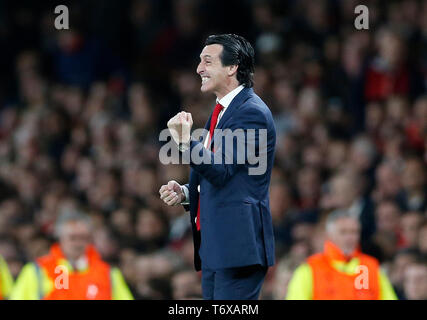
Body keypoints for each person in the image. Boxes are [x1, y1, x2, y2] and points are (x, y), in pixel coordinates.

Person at [159, 34, 276, 300]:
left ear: (232, 67)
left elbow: (221, 170)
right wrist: (187, 193)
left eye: (207, 61)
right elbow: (226, 174)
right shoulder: (224, 109)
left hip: (238, 248)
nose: (199, 68)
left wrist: (186, 141)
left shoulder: (251, 112)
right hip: (218, 247)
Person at [9, 210, 133, 300]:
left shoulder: (109, 274)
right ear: (60, 238)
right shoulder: (36, 271)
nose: (77, 243)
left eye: (82, 237)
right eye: (72, 238)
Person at [286, 209, 397, 300]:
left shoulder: (371, 268)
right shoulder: (309, 270)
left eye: (354, 232)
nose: (350, 237)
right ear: (329, 235)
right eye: (343, 232)